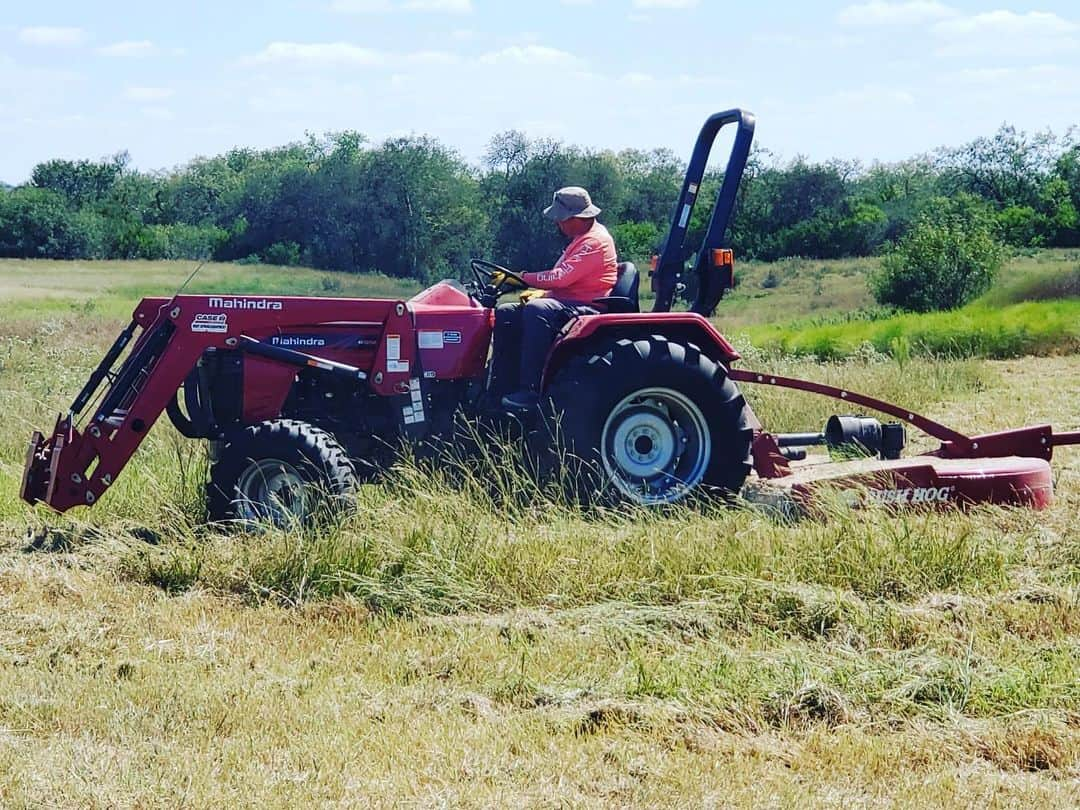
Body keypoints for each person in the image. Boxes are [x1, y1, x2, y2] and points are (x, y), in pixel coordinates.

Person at [488, 186, 618, 410]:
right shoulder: (581, 239)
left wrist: (522, 278)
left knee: (538, 310)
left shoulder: (594, 242)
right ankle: (499, 383)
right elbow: (565, 281)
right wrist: (542, 292)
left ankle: (531, 391)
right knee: (507, 312)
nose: (558, 224)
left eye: (562, 219)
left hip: (589, 307)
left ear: (578, 217)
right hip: (572, 301)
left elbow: (560, 278)